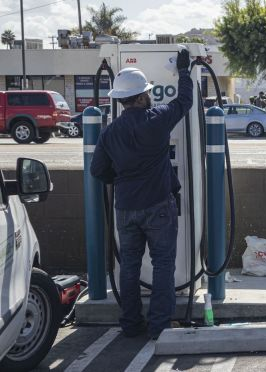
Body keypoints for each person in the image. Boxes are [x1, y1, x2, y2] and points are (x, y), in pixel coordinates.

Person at [90, 49, 193, 340]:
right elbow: (184, 102)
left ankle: (131, 325)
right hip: (158, 205)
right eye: (147, 92)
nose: (149, 95)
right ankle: (159, 326)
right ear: (141, 96)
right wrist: (184, 73)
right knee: (162, 265)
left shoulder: (109, 132)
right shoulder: (157, 118)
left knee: (130, 267)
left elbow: (97, 171)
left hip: (125, 208)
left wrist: (122, 180)